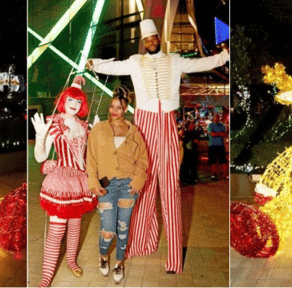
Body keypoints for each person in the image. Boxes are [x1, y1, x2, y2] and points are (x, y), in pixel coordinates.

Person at [87, 19, 229, 274]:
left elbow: (200, 63)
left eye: (154, 37)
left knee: (170, 188)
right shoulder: (135, 61)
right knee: (140, 184)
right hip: (143, 124)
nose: (151, 41)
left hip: (166, 123)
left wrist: (223, 57)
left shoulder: (175, 59)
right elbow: (115, 66)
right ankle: (140, 242)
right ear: (143, 41)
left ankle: (175, 259)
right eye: (147, 39)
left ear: (158, 39)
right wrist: (95, 64)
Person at [31, 76, 97, 287]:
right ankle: (46, 277)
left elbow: (89, 155)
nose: (75, 105)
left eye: (78, 101)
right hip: (61, 181)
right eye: (71, 99)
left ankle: (71, 261)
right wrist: (41, 136)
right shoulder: (54, 122)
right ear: (63, 99)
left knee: (76, 224)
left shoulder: (84, 126)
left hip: (80, 180)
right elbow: (40, 157)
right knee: (57, 230)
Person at [86, 86, 148, 283]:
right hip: (106, 186)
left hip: (128, 186)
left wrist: (138, 180)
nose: (114, 111)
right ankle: (103, 257)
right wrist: (93, 183)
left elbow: (143, 160)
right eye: (112, 106)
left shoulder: (134, 132)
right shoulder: (99, 129)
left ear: (126, 108)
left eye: (119, 107)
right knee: (108, 229)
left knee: (123, 228)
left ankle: (119, 263)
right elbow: (91, 160)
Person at [207, 112, 227, 180]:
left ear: (219, 118)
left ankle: (225, 175)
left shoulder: (221, 125)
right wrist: (220, 133)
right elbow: (212, 134)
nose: (216, 118)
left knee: (223, 161)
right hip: (212, 145)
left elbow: (225, 135)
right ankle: (213, 175)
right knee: (213, 161)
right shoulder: (210, 125)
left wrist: (217, 133)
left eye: (218, 117)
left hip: (220, 145)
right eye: (215, 117)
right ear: (213, 118)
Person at [179, 119, 199, 185]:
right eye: (191, 125)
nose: (192, 126)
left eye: (193, 125)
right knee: (186, 166)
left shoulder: (195, 132)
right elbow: (184, 140)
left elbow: (197, 141)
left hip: (193, 152)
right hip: (187, 152)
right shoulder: (186, 132)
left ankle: (192, 179)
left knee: (192, 166)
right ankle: (185, 179)